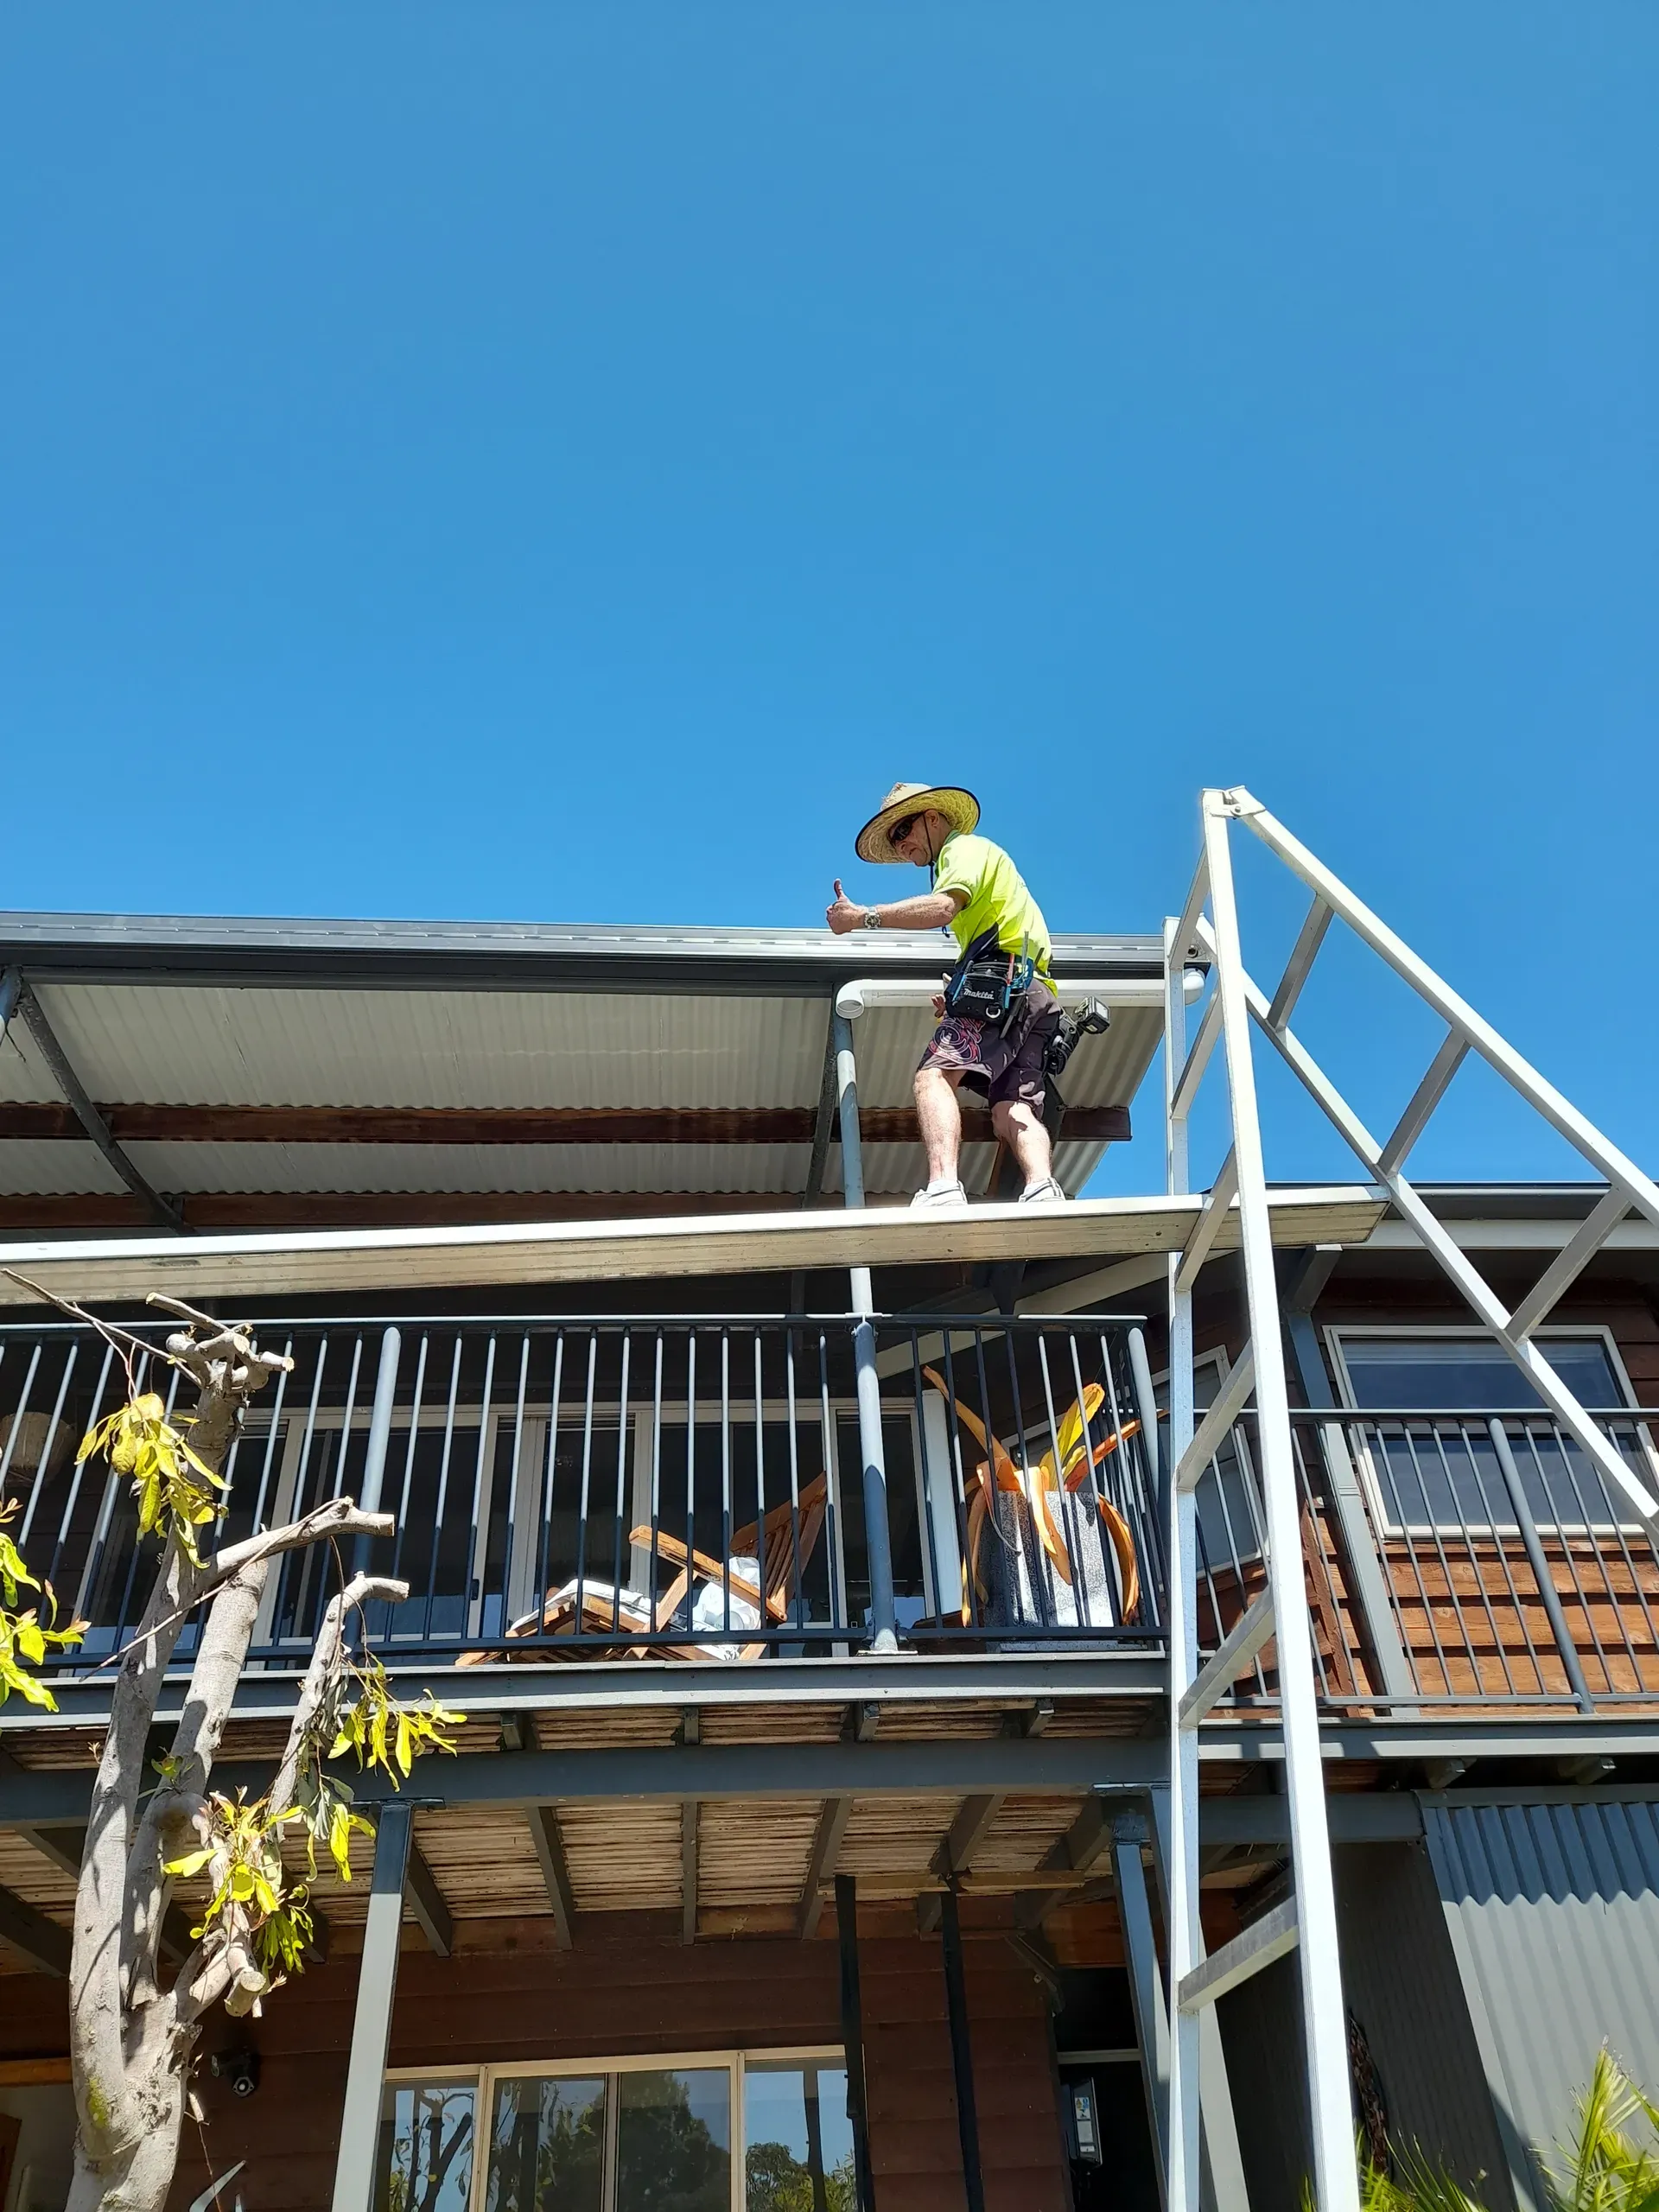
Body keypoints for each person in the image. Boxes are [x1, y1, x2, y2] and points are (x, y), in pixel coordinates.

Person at [825, 780, 1066, 1211]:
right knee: (1010, 1107)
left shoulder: (962, 851)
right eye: (895, 840)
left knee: (933, 1076)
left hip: (1003, 983)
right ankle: (1043, 1187)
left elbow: (942, 908)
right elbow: (992, 934)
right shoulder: (987, 864)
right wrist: (958, 993)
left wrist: (863, 917)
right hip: (1035, 994)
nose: (901, 847)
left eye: (903, 831)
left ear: (933, 818)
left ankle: (943, 1187)